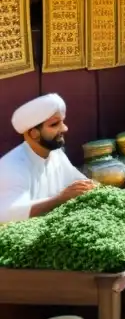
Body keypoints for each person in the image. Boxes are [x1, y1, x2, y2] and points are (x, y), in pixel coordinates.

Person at [0, 94, 95, 223]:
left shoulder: (56, 154)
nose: (64, 128)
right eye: (55, 124)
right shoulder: (11, 166)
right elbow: (7, 214)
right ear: (33, 133)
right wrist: (59, 199)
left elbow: (78, 184)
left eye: (62, 122)